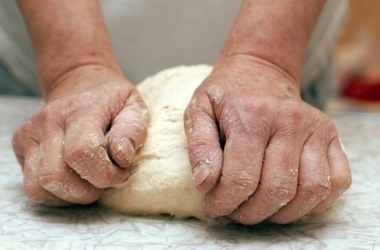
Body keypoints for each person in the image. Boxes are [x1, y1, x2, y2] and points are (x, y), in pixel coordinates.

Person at [5, 0, 351, 225]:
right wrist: (74, 67)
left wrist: (266, 60)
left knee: (280, 155)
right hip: (44, 40)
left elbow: (268, 66)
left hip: (287, 44)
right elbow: (71, 68)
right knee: (67, 154)